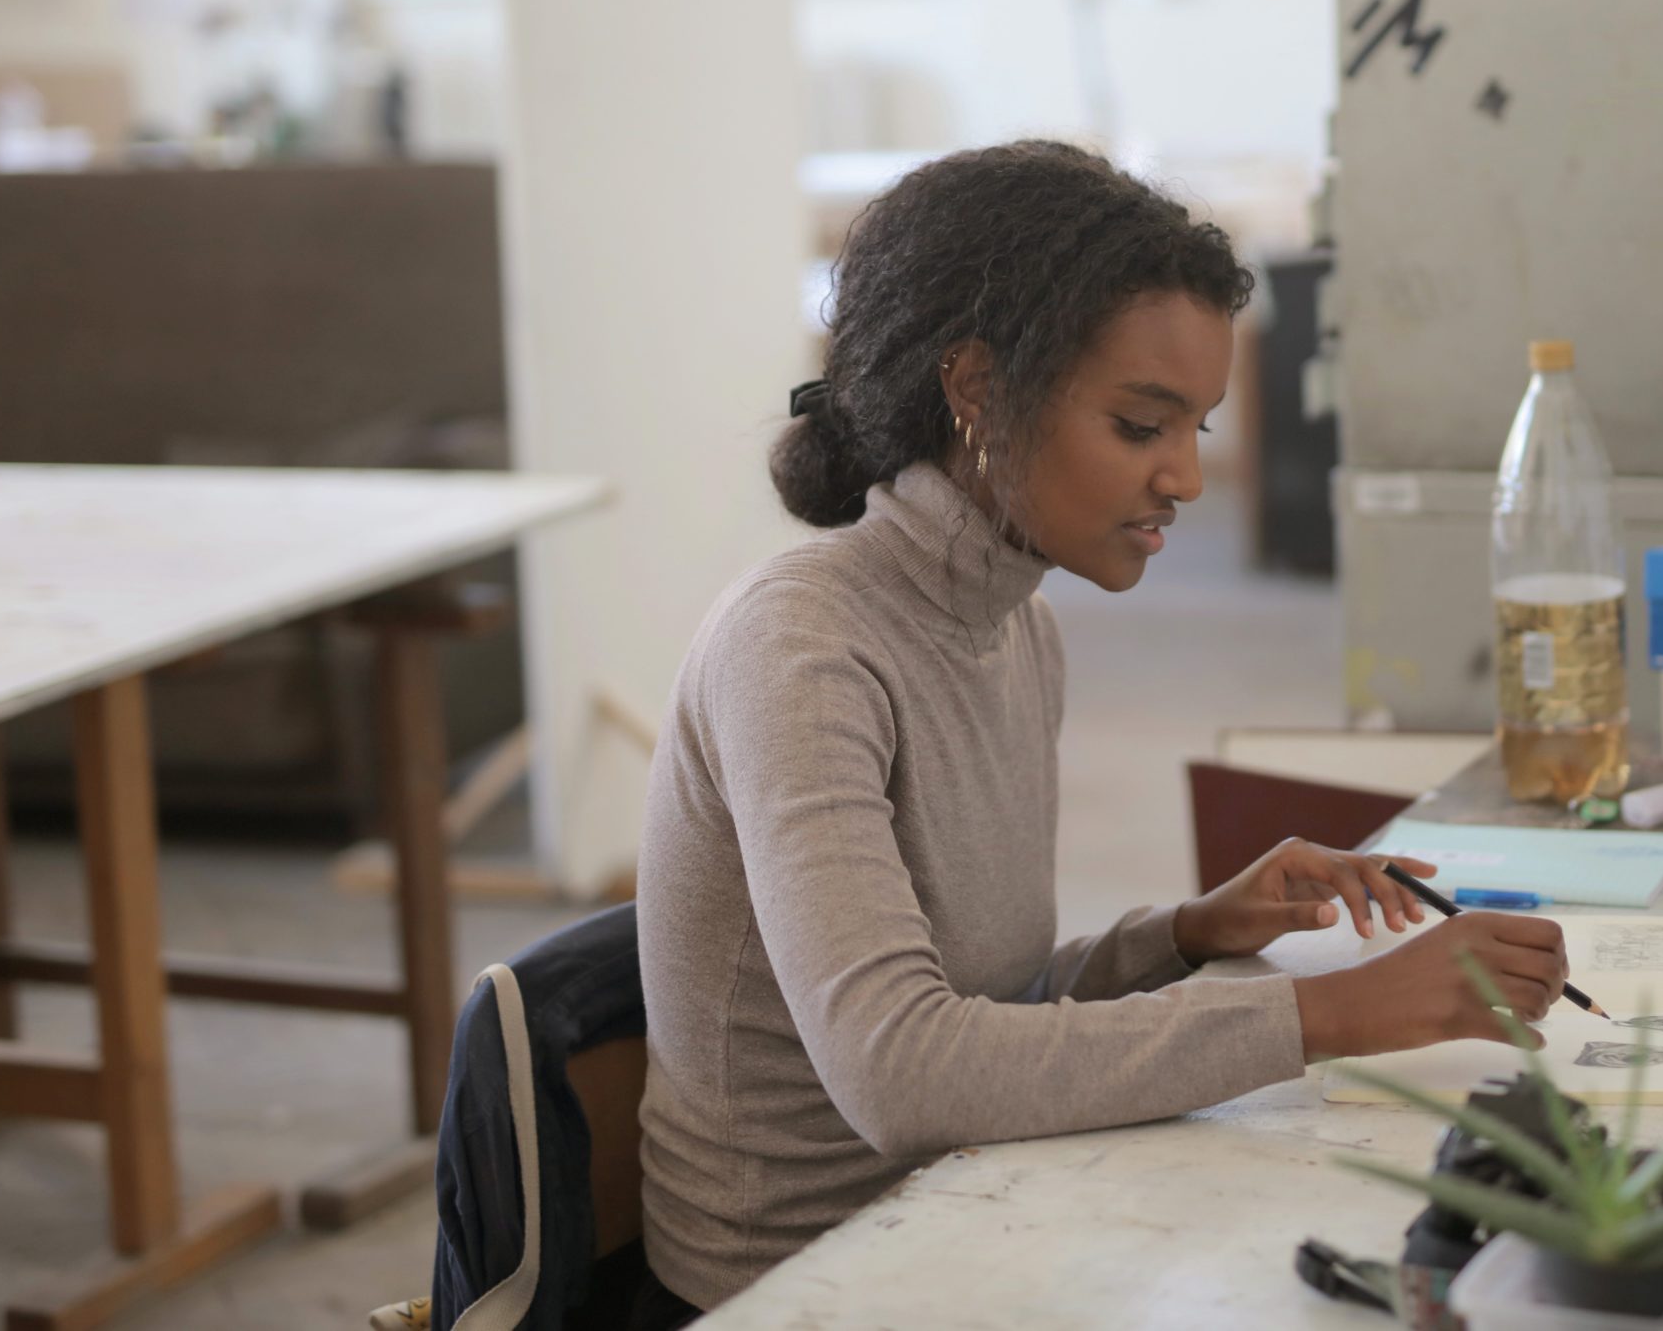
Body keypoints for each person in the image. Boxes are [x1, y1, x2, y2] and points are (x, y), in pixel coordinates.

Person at [629, 142, 1570, 1324]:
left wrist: (1180, 934)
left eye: (1197, 425)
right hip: (801, 1280)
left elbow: (992, 1001)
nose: (1184, 474)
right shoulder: (804, 649)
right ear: (972, 389)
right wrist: (1339, 1011)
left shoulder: (1015, 627)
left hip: (973, 1201)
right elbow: (901, 1070)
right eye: (1140, 424)